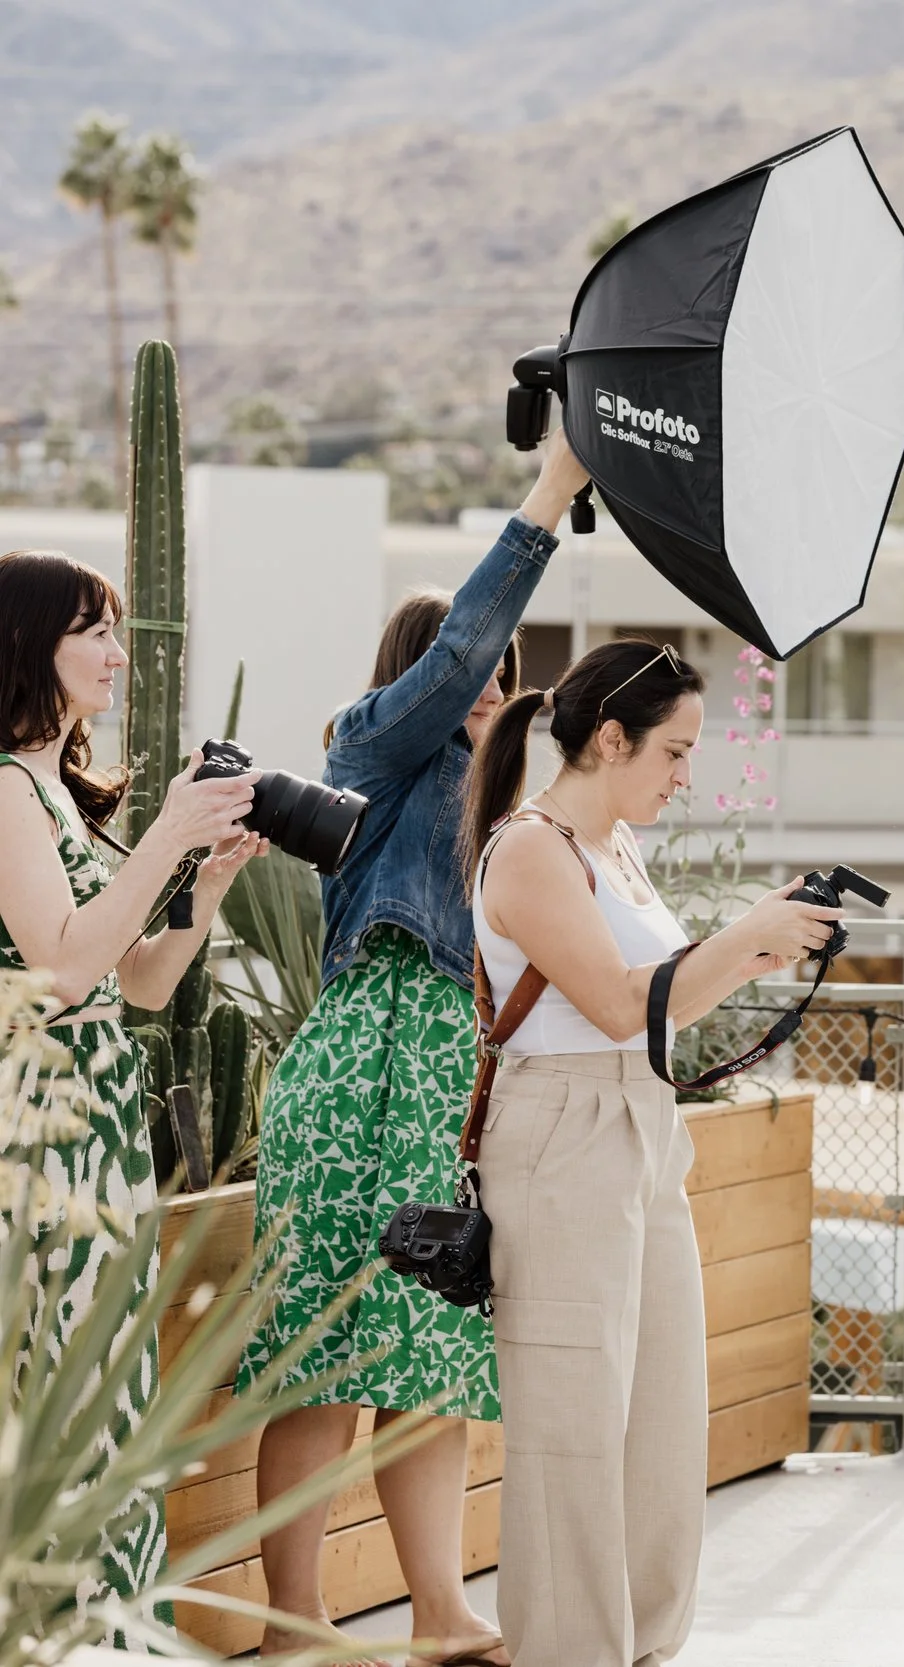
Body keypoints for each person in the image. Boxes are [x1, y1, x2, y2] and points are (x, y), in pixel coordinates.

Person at [233, 429, 588, 1666]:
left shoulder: (502, 806)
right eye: (478, 672)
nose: (494, 688)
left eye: (507, 677)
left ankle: (439, 1611)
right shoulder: (377, 745)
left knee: (432, 1356)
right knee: (330, 1349)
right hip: (361, 1069)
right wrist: (549, 500)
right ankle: (293, 1625)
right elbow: (457, 656)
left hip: (445, 1081)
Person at [463, 638, 840, 1667]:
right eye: (673, 752)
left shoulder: (618, 848)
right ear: (611, 739)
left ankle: (642, 1644)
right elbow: (620, 1001)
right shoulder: (533, 847)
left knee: (663, 1418)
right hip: (561, 1137)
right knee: (572, 1430)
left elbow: (660, 1015)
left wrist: (769, 940)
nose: (685, 776)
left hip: (640, 1127)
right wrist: (744, 932)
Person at [0, 548, 269, 1639]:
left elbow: (137, 984)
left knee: (105, 1388)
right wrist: (165, 830)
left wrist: (200, 888)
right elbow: (61, 972)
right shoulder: (7, 787)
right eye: (93, 631)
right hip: (43, 1119)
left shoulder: (47, 789)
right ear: (28, 646)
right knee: (66, 1384)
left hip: (97, 1121)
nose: (118, 653)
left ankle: (108, 1633)